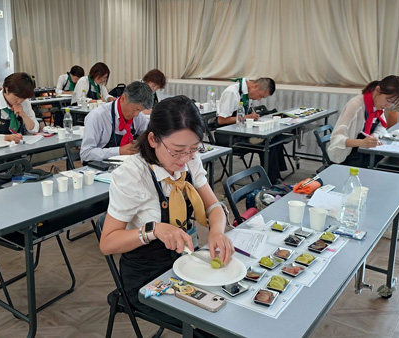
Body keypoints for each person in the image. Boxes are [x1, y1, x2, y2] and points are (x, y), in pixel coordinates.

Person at [99, 95, 234, 332]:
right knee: (212, 327)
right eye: (177, 150)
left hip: (185, 261)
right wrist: (152, 230)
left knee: (230, 310)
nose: (185, 159)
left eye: (193, 149)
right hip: (147, 276)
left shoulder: (190, 161)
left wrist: (216, 232)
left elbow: (213, 207)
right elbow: (108, 243)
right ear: (153, 139)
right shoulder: (133, 175)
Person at [327, 75, 399, 239]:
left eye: (391, 103)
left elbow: (382, 126)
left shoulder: (376, 107)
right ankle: (382, 221)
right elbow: (336, 140)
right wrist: (362, 142)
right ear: (377, 90)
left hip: (365, 151)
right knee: (388, 173)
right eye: (388, 100)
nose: (388, 105)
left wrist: (374, 135)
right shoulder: (357, 105)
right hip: (350, 156)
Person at [216, 77, 286, 183]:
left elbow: (243, 116)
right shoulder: (232, 92)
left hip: (240, 132)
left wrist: (251, 116)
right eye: (260, 96)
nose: (258, 100)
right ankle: (270, 181)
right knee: (267, 141)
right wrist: (246, 117)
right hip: (228, 137)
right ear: (255, 86)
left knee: (276, 137)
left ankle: (275, 175)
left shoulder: (245, 93)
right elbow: (221, 120)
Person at [80, 81, 153, 162]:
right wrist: (118, 151)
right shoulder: (98, 116)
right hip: (100, 167)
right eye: (136, 109)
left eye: (140, 111)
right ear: (123, 98)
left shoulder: (138, 116)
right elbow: (85, 153)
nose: (136, 114)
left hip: (125, 165)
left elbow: (149, 135)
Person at [0, 72, 39, 143]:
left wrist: (24, 115)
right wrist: (7, 138)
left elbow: (34, 129)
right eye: (17, 98)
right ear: (7, 90)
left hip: (20, 148)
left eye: (23, 99)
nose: (19, 102)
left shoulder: (25, 102)